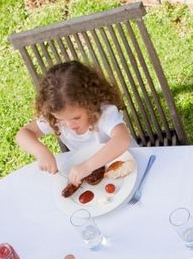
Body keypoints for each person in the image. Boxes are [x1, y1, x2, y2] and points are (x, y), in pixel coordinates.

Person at [15, 60, 132, 188]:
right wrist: (40, 150)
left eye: (76, 117)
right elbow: (23, 134)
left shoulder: (104, 113)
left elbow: (122, 140)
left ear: (90, 103)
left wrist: (88, 166)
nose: (69, 124)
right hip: (101, 177)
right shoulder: (55, 118)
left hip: (130, 164)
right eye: (60, 119)